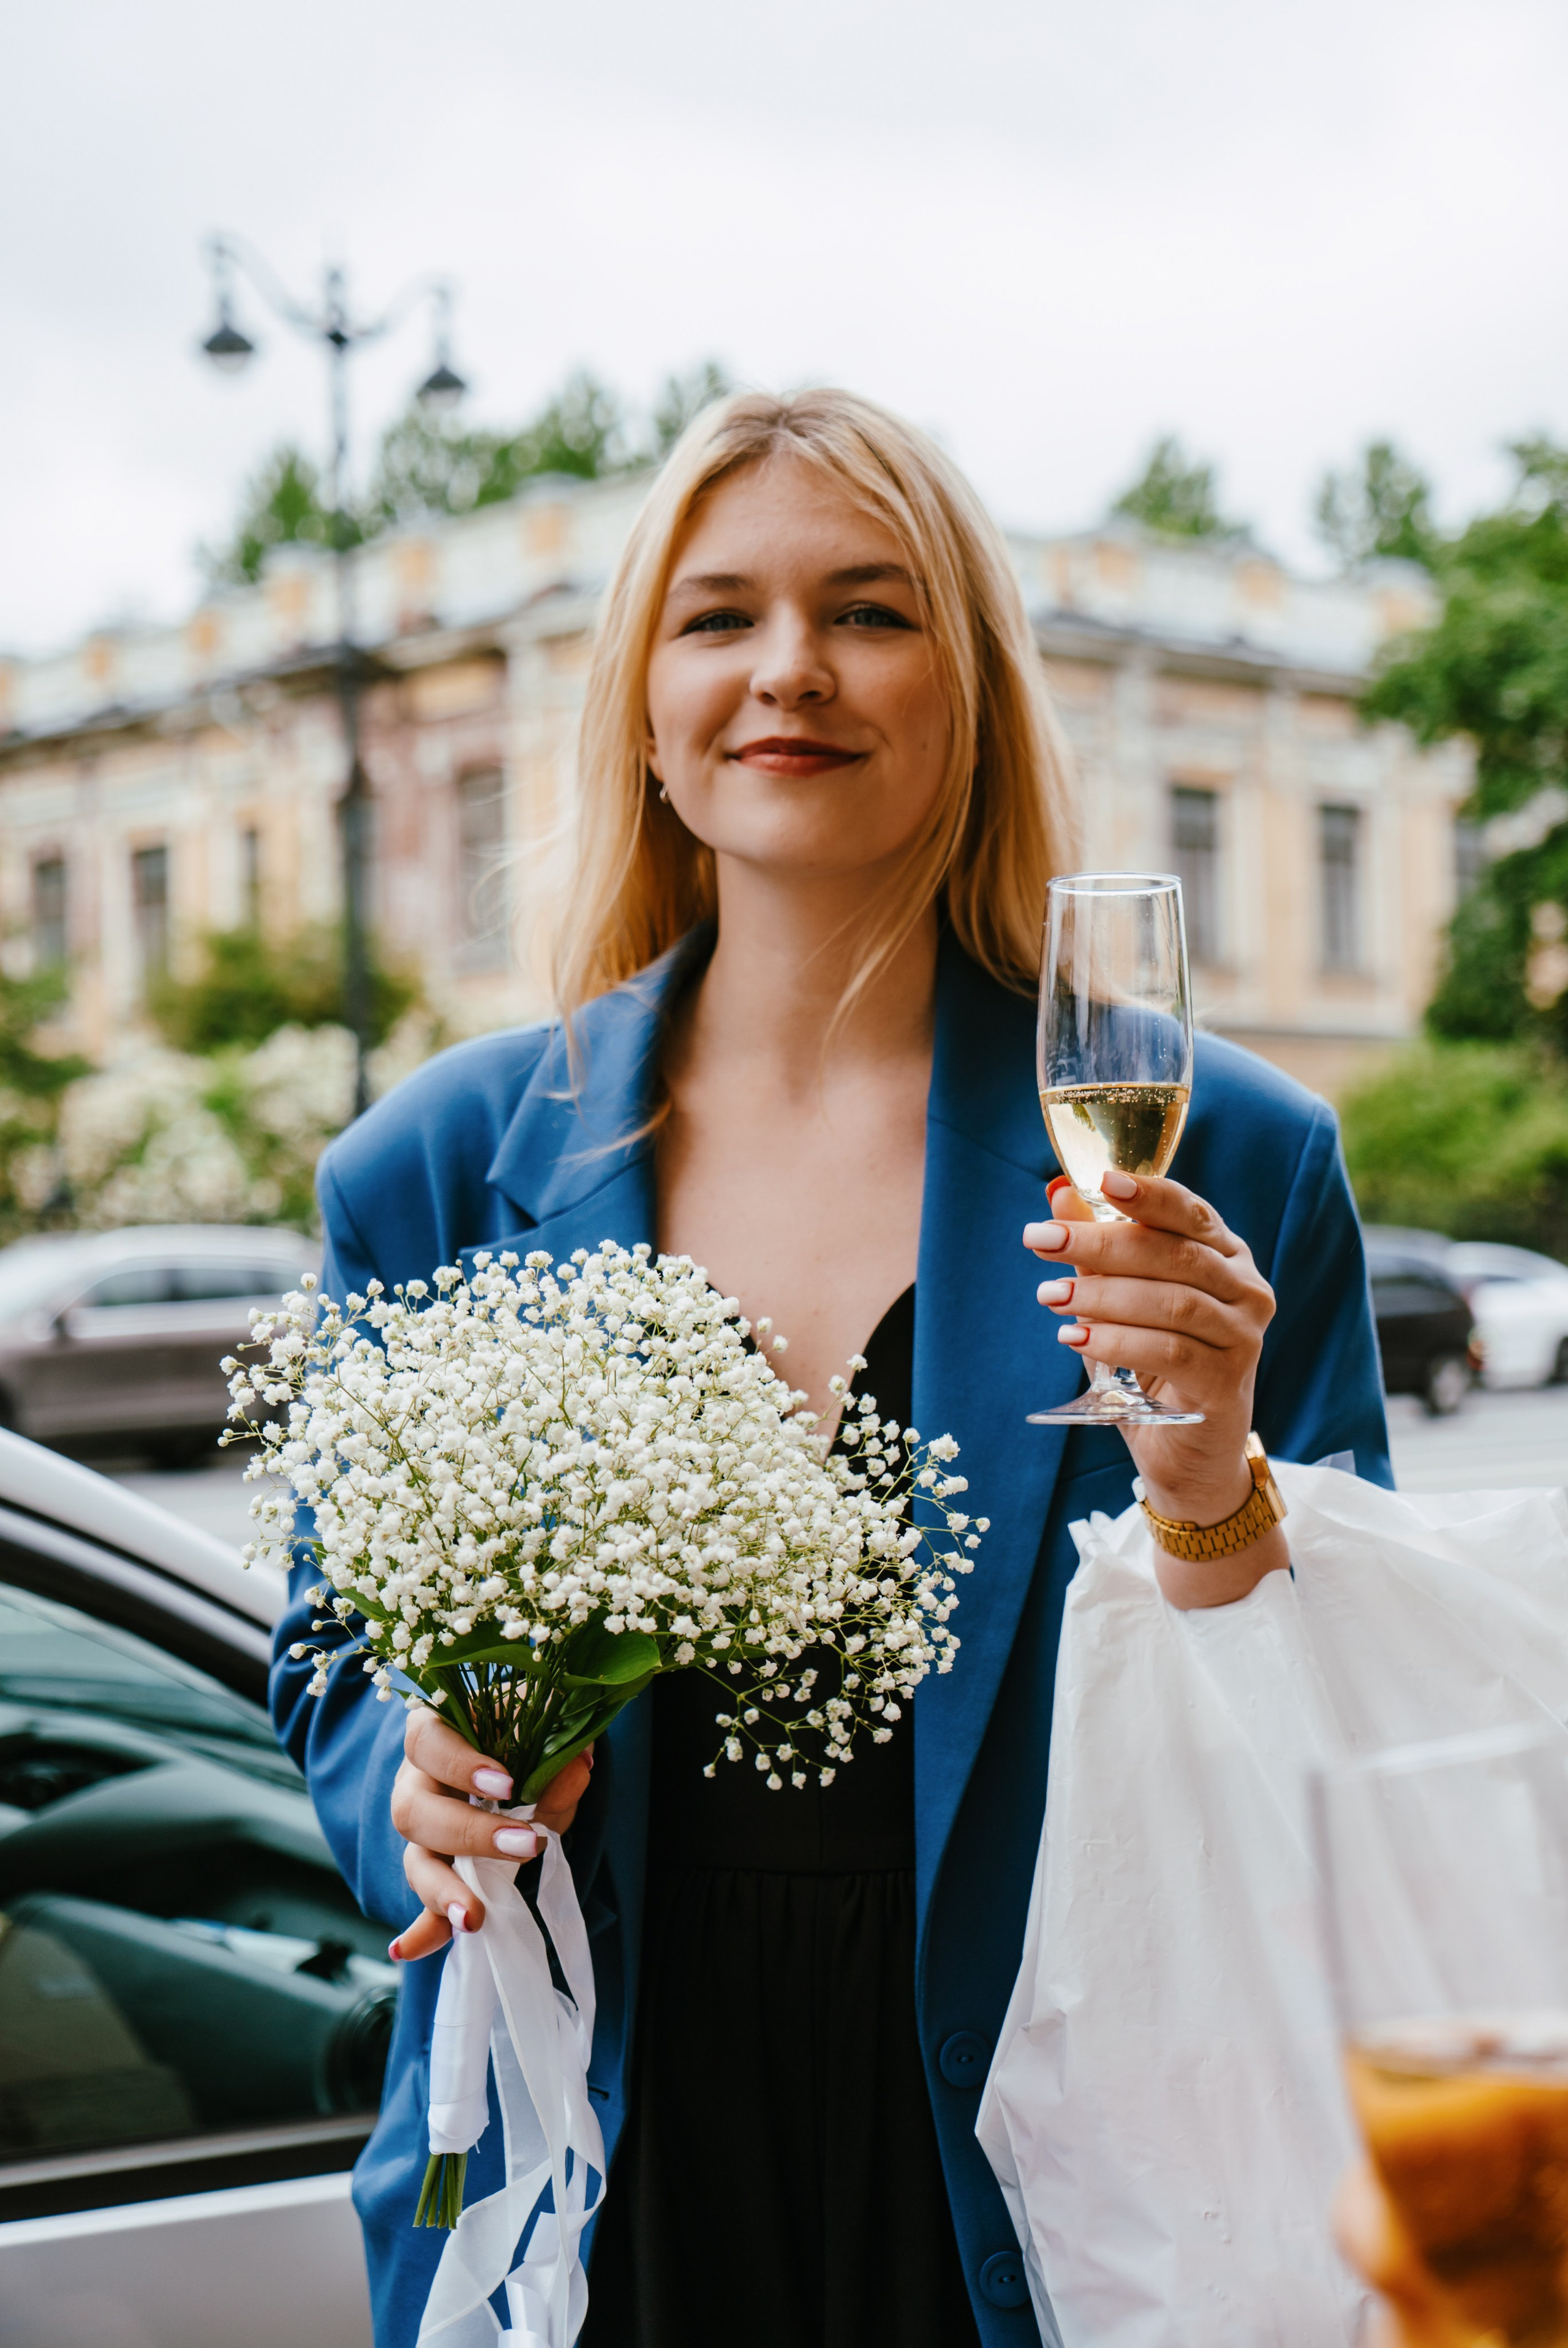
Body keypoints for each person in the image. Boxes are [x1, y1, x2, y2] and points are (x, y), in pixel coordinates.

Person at [270, 387, 1391, 2348]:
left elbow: (1355, 1730)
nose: (789, 668)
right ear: (643, 702)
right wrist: (416, 1780)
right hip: (597, 2151)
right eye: (719, 618)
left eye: (870, 612)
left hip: (1064, 2152)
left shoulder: (1236, 1154)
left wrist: (1218, 1491)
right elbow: (329, 1654)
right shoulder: (433, 1168)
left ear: (974, 692)